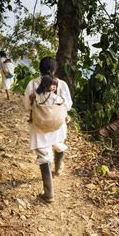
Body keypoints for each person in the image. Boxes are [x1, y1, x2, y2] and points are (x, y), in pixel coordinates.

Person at [23, 57, 73, 203]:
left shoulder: (32, 84)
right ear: (55, 69)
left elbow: (27, 106)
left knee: (43, 154)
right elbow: (68, 105)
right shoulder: (61, 84)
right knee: (58, 143)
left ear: (40, 68)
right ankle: (58, 169)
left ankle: (49, 193)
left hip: (39, 125)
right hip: (58, 124)